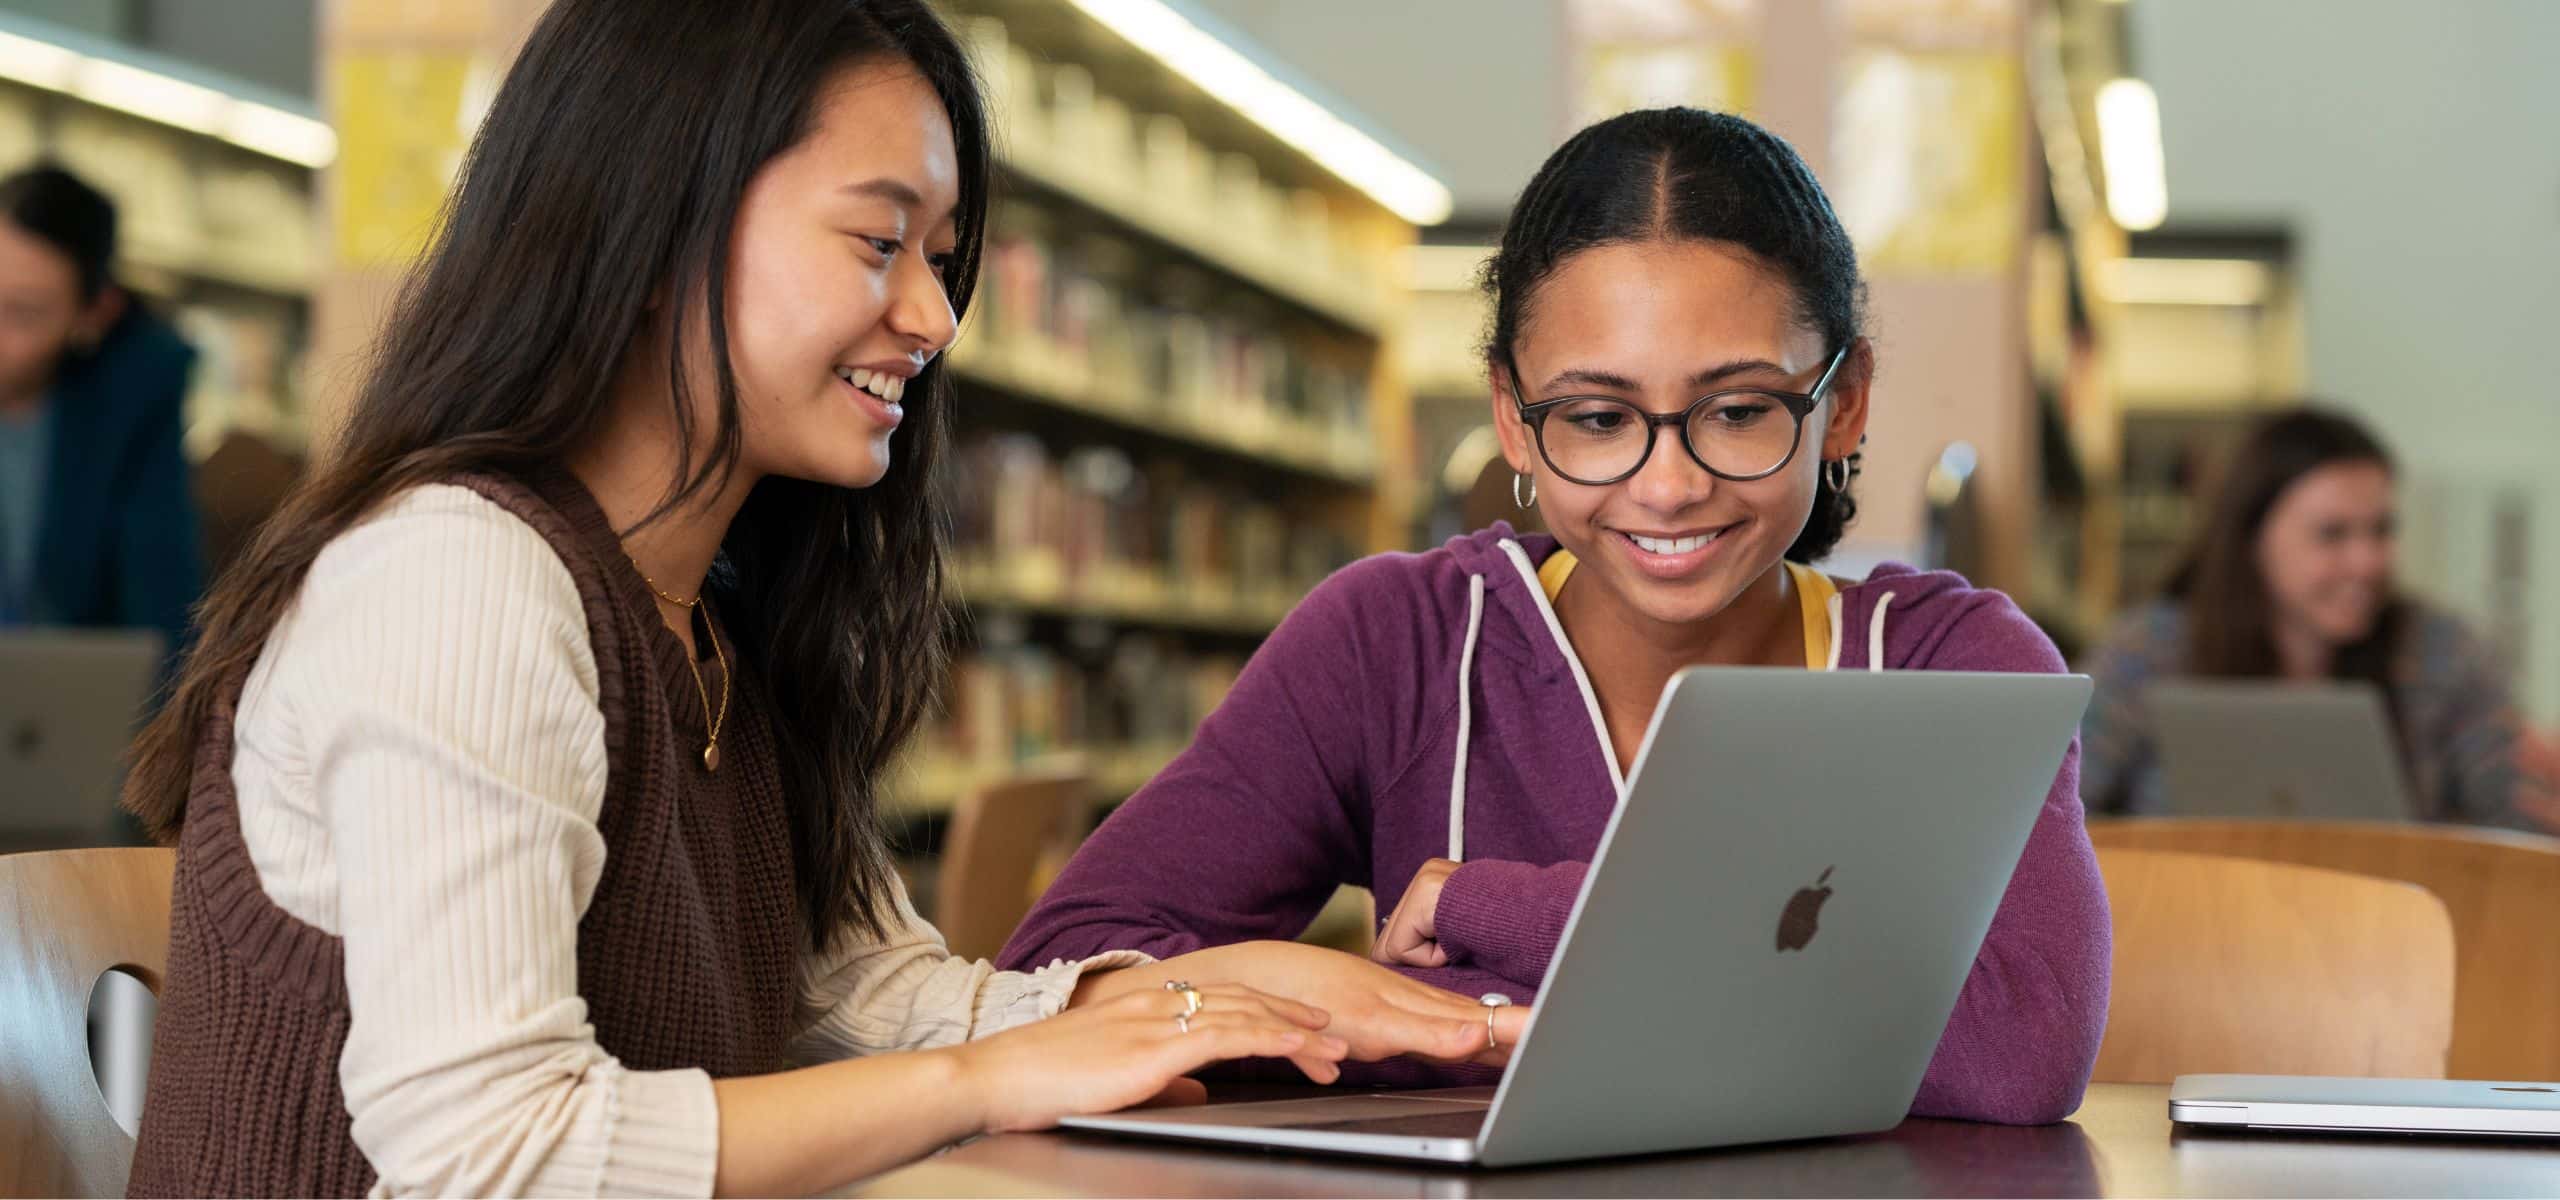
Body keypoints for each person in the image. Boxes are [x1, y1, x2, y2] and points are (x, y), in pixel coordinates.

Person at [118, 3, 1522, 1196]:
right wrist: (997, 1073)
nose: (933, 317)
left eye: (944, 256)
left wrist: (1205, 995)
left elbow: (845, 993)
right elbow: (499, 1156)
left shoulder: (711, 614)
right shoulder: (458, 578)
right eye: (878, 243)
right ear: (653, 226)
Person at [1002, 107, 2111, 1123]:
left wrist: (1492, 910)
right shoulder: (1395, 643)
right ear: (1513, 419)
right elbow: (1063, 978)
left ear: (1844, 402)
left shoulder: (1953, 668)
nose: (1667, 484)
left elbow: (2019, 1049)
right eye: (1594, 416)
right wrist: (1481, 1021)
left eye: (1736, 411)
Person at [2081, 407, 2560, 827]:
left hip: (2389, 927)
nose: (2367, 560)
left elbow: (2515, 821)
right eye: (2332, 534)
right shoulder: (2147, 650)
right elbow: (2056, 808)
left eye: (2382, 530)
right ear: (2253, 538)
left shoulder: (2444, 650)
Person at [0, 163, 201, 661]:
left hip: (53, 720)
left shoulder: (133, 395)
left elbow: (162, 613)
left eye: (21, 313)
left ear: (94, 314)